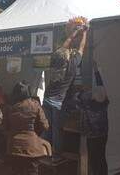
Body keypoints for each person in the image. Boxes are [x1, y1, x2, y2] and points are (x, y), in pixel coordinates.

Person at [43, 17, 88, 154]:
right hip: (58, 104)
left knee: (47, 127)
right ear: (69, 57)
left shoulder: (57, 63)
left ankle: (45, 151)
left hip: (47, 100)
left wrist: (73, 34)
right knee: (57, 129)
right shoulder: (72, 66)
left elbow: (64, 47)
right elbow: (81, 47)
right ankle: (56, 155)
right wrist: (84, 32)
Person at [4, 82, 51, 175]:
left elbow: (5, 127)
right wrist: (35, 133)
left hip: (14, 147)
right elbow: (45, 126)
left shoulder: (9, 107)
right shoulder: (35, 105)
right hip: (32, 148)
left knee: (16, 171)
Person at [79, 61, 109, 175]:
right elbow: (101, 84)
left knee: (93, 159)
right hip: (103, 133)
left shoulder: (86, 101)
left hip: (92, 135)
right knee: (101, 158)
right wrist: (96, 70)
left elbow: (77, 98)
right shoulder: (104, 101)